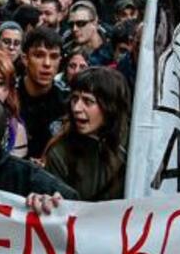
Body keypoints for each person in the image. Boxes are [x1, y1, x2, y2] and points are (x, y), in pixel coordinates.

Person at [42, 67, 130, 202]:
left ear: (110, 107)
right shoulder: (60, 154)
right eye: (75, 99)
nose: (76, 108)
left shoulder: (131, 149)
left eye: (88, 101)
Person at [18, 26, 70, 160]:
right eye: (39, 55)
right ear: (25, 59)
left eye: (54, 57)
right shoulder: (9, 95)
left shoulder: (67, 101)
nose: (47, 64)